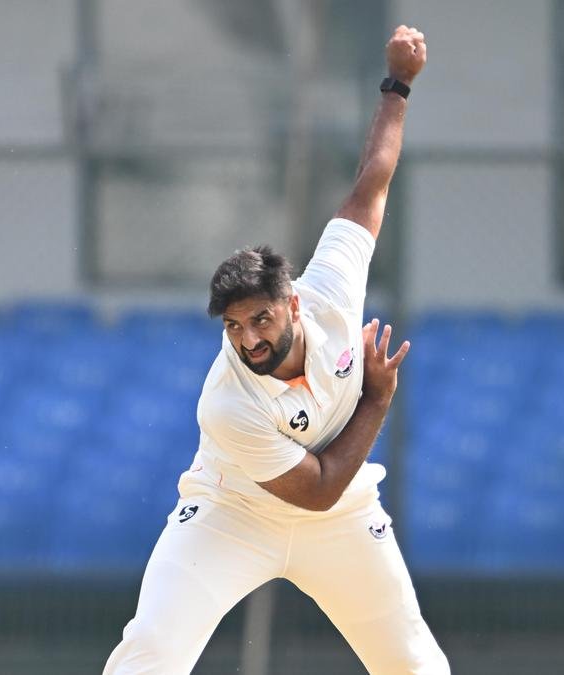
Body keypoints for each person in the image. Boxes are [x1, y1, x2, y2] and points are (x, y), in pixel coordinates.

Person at [104, 25, 449, 674]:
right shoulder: (226, 402)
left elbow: (371, 184)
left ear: (292, 303)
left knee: (414, 664)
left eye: (260, 319)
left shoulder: (331, 291)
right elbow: (314, 489)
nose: (250, 339)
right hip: (232, 512)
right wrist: (376, 400)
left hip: (343, 519)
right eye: (234, 327)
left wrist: (398, 84)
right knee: (151, 649)